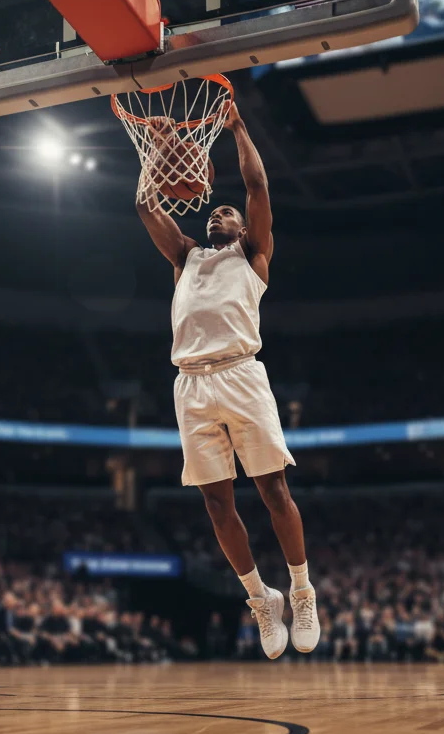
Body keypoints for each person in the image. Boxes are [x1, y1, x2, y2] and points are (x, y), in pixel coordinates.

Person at [134, 101, 317, 660]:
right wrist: (160, 151)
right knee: (216, 504)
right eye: (214, 212)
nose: (218, 214)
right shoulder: (186, 257)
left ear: (243, 228)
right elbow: (144, 205)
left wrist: (237, 127)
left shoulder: (254, 254)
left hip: (241, 375)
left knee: (272, 489)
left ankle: (302, 589)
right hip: (190, 384)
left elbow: (257, 183)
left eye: (228, 212)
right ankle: (261, 598)